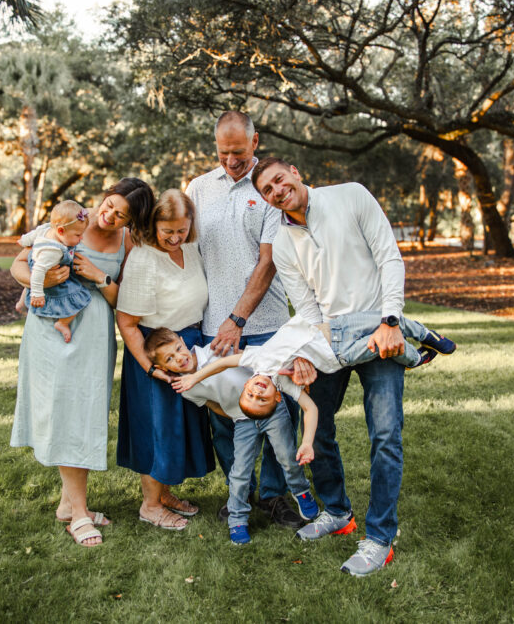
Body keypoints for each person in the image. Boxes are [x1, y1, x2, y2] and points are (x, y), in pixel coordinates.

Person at [252, 156, 413, 577]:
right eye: (267, 190)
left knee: (385, 434)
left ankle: (380, 538)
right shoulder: (282, 242)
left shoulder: (351, 195)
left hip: (378, 332)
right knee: (316, 425)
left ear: (294, 172)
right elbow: (306, 307)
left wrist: (391, 321)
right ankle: (338, 512)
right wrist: (306, 353)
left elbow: (389, 257)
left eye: (279, 180)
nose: (277, 191)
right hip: (330, 341)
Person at [10, 178, 155, 547]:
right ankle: (78, 514)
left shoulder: (128, 242)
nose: (109, 217)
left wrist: (98, 276)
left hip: (95, 336)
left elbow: (126, 300)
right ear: (104, 198)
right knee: (66, 415)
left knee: (84, 414)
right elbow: (18, 264)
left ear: (131, 222)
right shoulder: (70, 219)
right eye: (109, 206)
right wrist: (41, 281)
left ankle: (67, 505)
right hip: (52, 332)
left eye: (121, 216)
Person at [185, 111, 302, 528]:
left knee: (280, 411)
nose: (231, 161)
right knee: (225, 417)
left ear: (255, 142)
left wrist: (237, 318)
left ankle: (274, 495)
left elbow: (268, 262)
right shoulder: (198, 189)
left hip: (266, 325)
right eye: (223, 153)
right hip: (214, 328)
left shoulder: (269, 188)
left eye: (238, 152)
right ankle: (241, 494)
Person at [143, 328, 321, 545]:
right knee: (240, 472)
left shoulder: (214, 350)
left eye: (178, 349)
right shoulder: (186, 388)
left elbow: (247, 360)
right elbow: (212, 405)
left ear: (182, 341)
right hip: (242, 420)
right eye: (169, 359)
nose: (179, 358)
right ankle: (237, 518)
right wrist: (235, 415)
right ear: (162, 368)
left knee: (287, 456)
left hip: (272, 409)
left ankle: (301, 491)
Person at [115, 189, 214, 531]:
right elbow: (127, 322)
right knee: (156, 429)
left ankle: (165, 493)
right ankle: (150, 505)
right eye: (167, 231)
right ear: (154, 224)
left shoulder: (191, 249)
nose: (174, 238)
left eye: (181, 230)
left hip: (187, 348)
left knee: (177, 429)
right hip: (156, 352)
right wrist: (151, 368)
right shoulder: (144, 258)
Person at [173, 312, 456, 419]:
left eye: (250, 395)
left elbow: (223, 363)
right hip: (339, 356)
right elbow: (310, 409)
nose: (257, 393)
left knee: (389, 319)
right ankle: (415, 359)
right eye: (262, 399)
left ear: (246, 383)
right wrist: (307, 443)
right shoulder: (286, 385)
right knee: (381, 343)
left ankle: (428, 335)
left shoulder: (255, 359)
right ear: (276, 397)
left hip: (333, 328)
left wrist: (194, 378)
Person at [16, 200, 92, 342]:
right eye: (77, 235)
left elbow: (32, 235)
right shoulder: (53, 251)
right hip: (46, 272)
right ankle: (62, 323)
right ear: (61, 231)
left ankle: (22, 301)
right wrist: (37, 294)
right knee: (79, 298)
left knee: (33, 280)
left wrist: (23, 240)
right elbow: (38, 272)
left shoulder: (46, 229)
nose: (81, 238)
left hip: (37, 266)